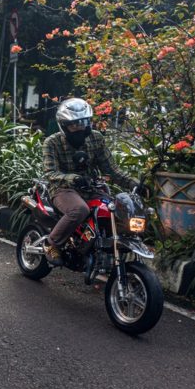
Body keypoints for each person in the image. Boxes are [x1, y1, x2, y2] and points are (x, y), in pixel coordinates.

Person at [41, 98, 140, 266]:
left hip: (91, 187)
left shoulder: (96, 138)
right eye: (74, 124)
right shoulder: (52, 142)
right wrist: (73, 178)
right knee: (79, 210)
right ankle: (51, 243)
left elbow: (111, 169)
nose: (80, 127)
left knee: (114, 209)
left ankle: (98, 247)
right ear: (64, 125)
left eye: (84, 122)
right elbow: (51, 172)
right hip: (62, 188)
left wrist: (133, 183)